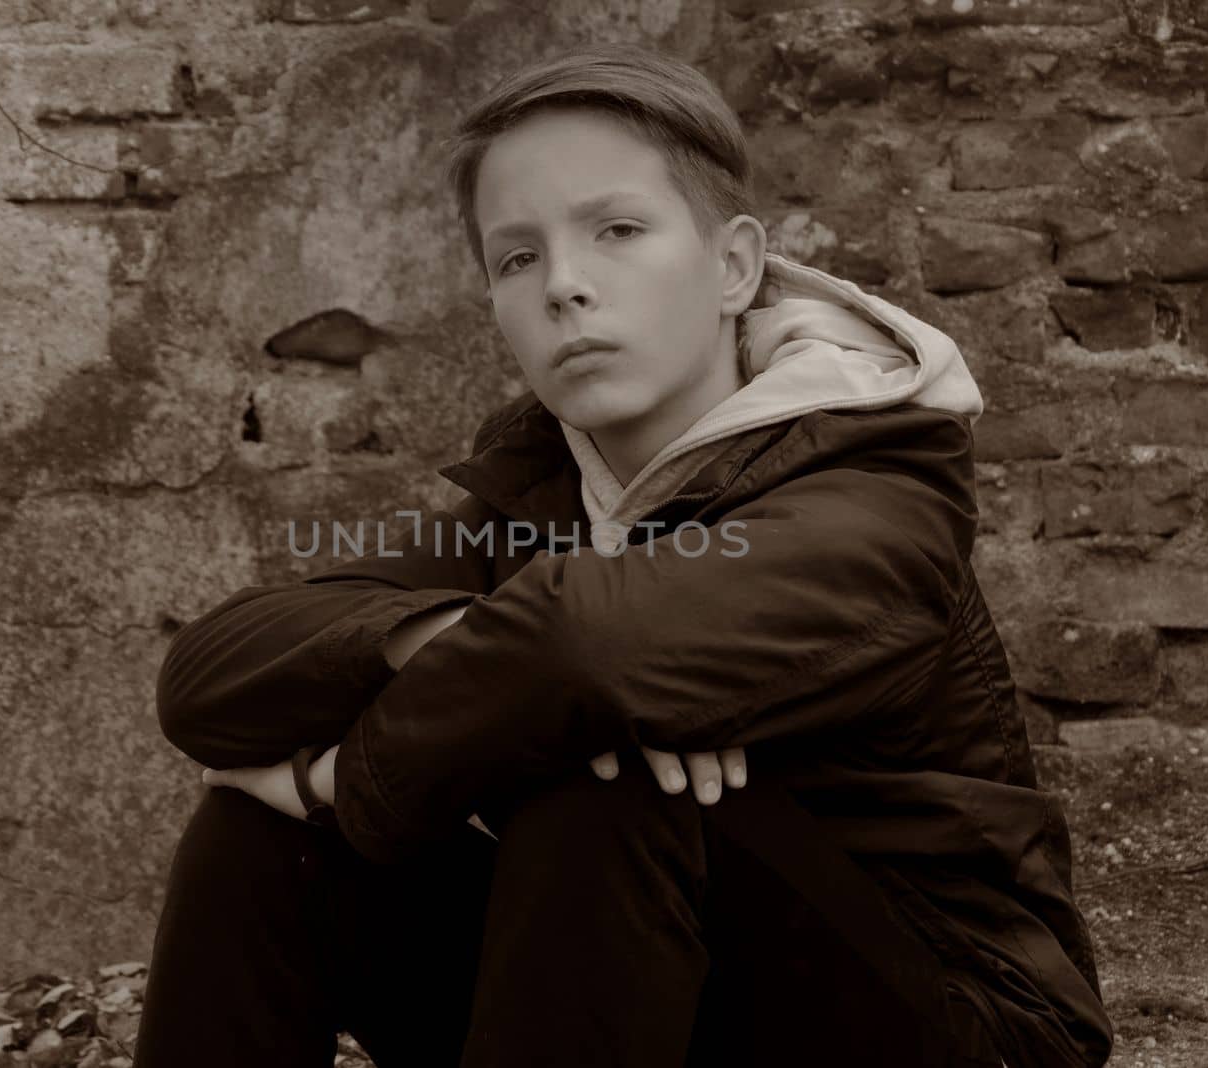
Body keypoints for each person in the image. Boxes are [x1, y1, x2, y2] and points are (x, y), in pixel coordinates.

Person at [131, 42, 1112, 1068]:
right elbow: (207, 679)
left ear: (733, 267)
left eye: (617, 231)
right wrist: (443, 635)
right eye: (516, 258)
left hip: (959, 1021)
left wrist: (339, 783)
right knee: (257, 842)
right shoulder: (539, 490)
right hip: (653, 997)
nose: (564, 286)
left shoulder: (876, 472)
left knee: (613, 784)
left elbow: (584, 647)